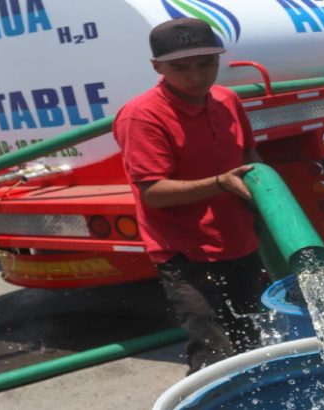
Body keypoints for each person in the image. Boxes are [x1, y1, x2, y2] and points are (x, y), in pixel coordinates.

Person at [113, 18, 266, 375]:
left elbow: (249, 156)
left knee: (251, 341)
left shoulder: (227, 99)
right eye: (181, 68)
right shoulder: (142, 115)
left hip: (240, 240)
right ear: (157, 68)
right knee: (214, 353)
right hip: (186, 253)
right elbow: (153, 193)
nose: (196, 76)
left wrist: (271, 205)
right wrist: (221, 183)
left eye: (206, 64)